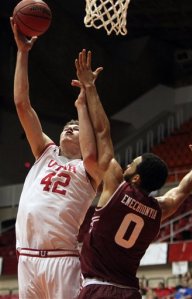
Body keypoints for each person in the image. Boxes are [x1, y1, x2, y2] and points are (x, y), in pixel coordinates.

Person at [73, 49, 192, 299]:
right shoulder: (159, 209)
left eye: (133, 163)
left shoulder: (116, 187)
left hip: (97, 287)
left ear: (136, 178)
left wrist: (90, 88)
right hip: (130, 292)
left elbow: (101, 132)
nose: (128, 163)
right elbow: (181, 191)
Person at [10, 19, 110, 299]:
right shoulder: (46, 151)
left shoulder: (90, 169)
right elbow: (21, 104)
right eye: (68, 126)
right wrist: (23, 52)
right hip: (26, 258)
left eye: (77, 128)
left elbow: (91, 152)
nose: (70, 128)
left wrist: (82, 105)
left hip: (62, 260)